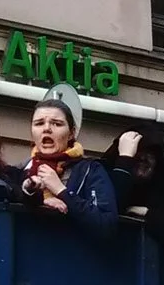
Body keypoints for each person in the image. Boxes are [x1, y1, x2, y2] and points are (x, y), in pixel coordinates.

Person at [14, 85, 117, 223]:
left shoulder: (91, 170)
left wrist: (61, 191)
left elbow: (106, 223)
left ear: (71, 133)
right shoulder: (22, 169)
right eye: (39, 123)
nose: (46, 129)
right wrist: (36, 197)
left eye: (57, 124)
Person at [102, 129, 164, 219]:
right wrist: (125, 160)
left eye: (149, 154)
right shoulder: (99, 177)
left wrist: (149, 213)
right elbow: (105, 208)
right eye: (137, 153)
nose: (143, 158)